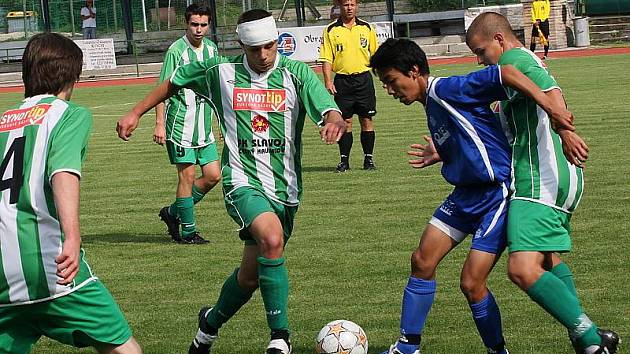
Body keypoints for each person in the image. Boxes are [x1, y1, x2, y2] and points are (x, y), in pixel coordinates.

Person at [116, 9, 346, 354]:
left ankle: (207, 327)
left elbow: (326, 105)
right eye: (256, 49)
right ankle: (280, 337)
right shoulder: (221, 72)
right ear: (241, 45)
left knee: (249, 277)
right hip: (242, 181)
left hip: (285, 188)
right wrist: (136, 112)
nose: (264, 55)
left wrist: (335, 118)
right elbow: (172, 82)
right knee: (271, 239)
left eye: (270, 47)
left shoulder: (295, 72)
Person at [369, 38, 574, 354]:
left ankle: (499, 350)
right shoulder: (434, 105)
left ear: (413, 71)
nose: (390, 91)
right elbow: (475, 136)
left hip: (496, 195)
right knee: (422, 260)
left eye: (391, 81)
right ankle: (408, 347)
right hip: (465, 195)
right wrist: (444, 152)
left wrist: (551, 108)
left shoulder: (447, 89)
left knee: (471, 283)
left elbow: (504, 73)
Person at [466, 12, 619, 354]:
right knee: (547, 259)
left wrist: (565, 130)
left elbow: (551, 92)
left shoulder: (514, 58)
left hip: (540, 178)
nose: (480, 60)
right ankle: (587, 340)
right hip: (558, 176)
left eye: (481, 51)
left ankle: (592, 339)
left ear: (500, 40)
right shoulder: (521, 62)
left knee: (521, 269)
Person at [0, 33, 141, 354]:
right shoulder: (69, 114)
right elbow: (62, 171)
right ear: (73, 77)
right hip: (50, 267)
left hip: (2, 275)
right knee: (124, 349)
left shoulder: (2, 123)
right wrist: (73, 236)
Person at [153, 3, 220, 244]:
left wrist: (221, 122)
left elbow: (216, 89)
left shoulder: (212, 50)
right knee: (188, 177)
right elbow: (163, 89)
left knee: (213, 176)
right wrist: (159, 123)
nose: (199, 29)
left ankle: (172, 213)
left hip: (204, 127)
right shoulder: (176, 51)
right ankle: (189, 232)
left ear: (208, 25)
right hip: (180, 125)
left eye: (203, 25)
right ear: (186, 24)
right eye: (194, 24)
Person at [319, 0, 378, 172]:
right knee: (345, 121)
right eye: (346, 5)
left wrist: (384, 78)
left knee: (366, 119)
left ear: (357, 6)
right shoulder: (331, 30)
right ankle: (344, 160)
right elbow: (327, 58)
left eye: (352, 4)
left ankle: (369, 160)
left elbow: (376, 56)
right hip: (343, 81)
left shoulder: (367, 28)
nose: (349, 8)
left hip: (364, 80)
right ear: (340, 7)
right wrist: (328, 80)